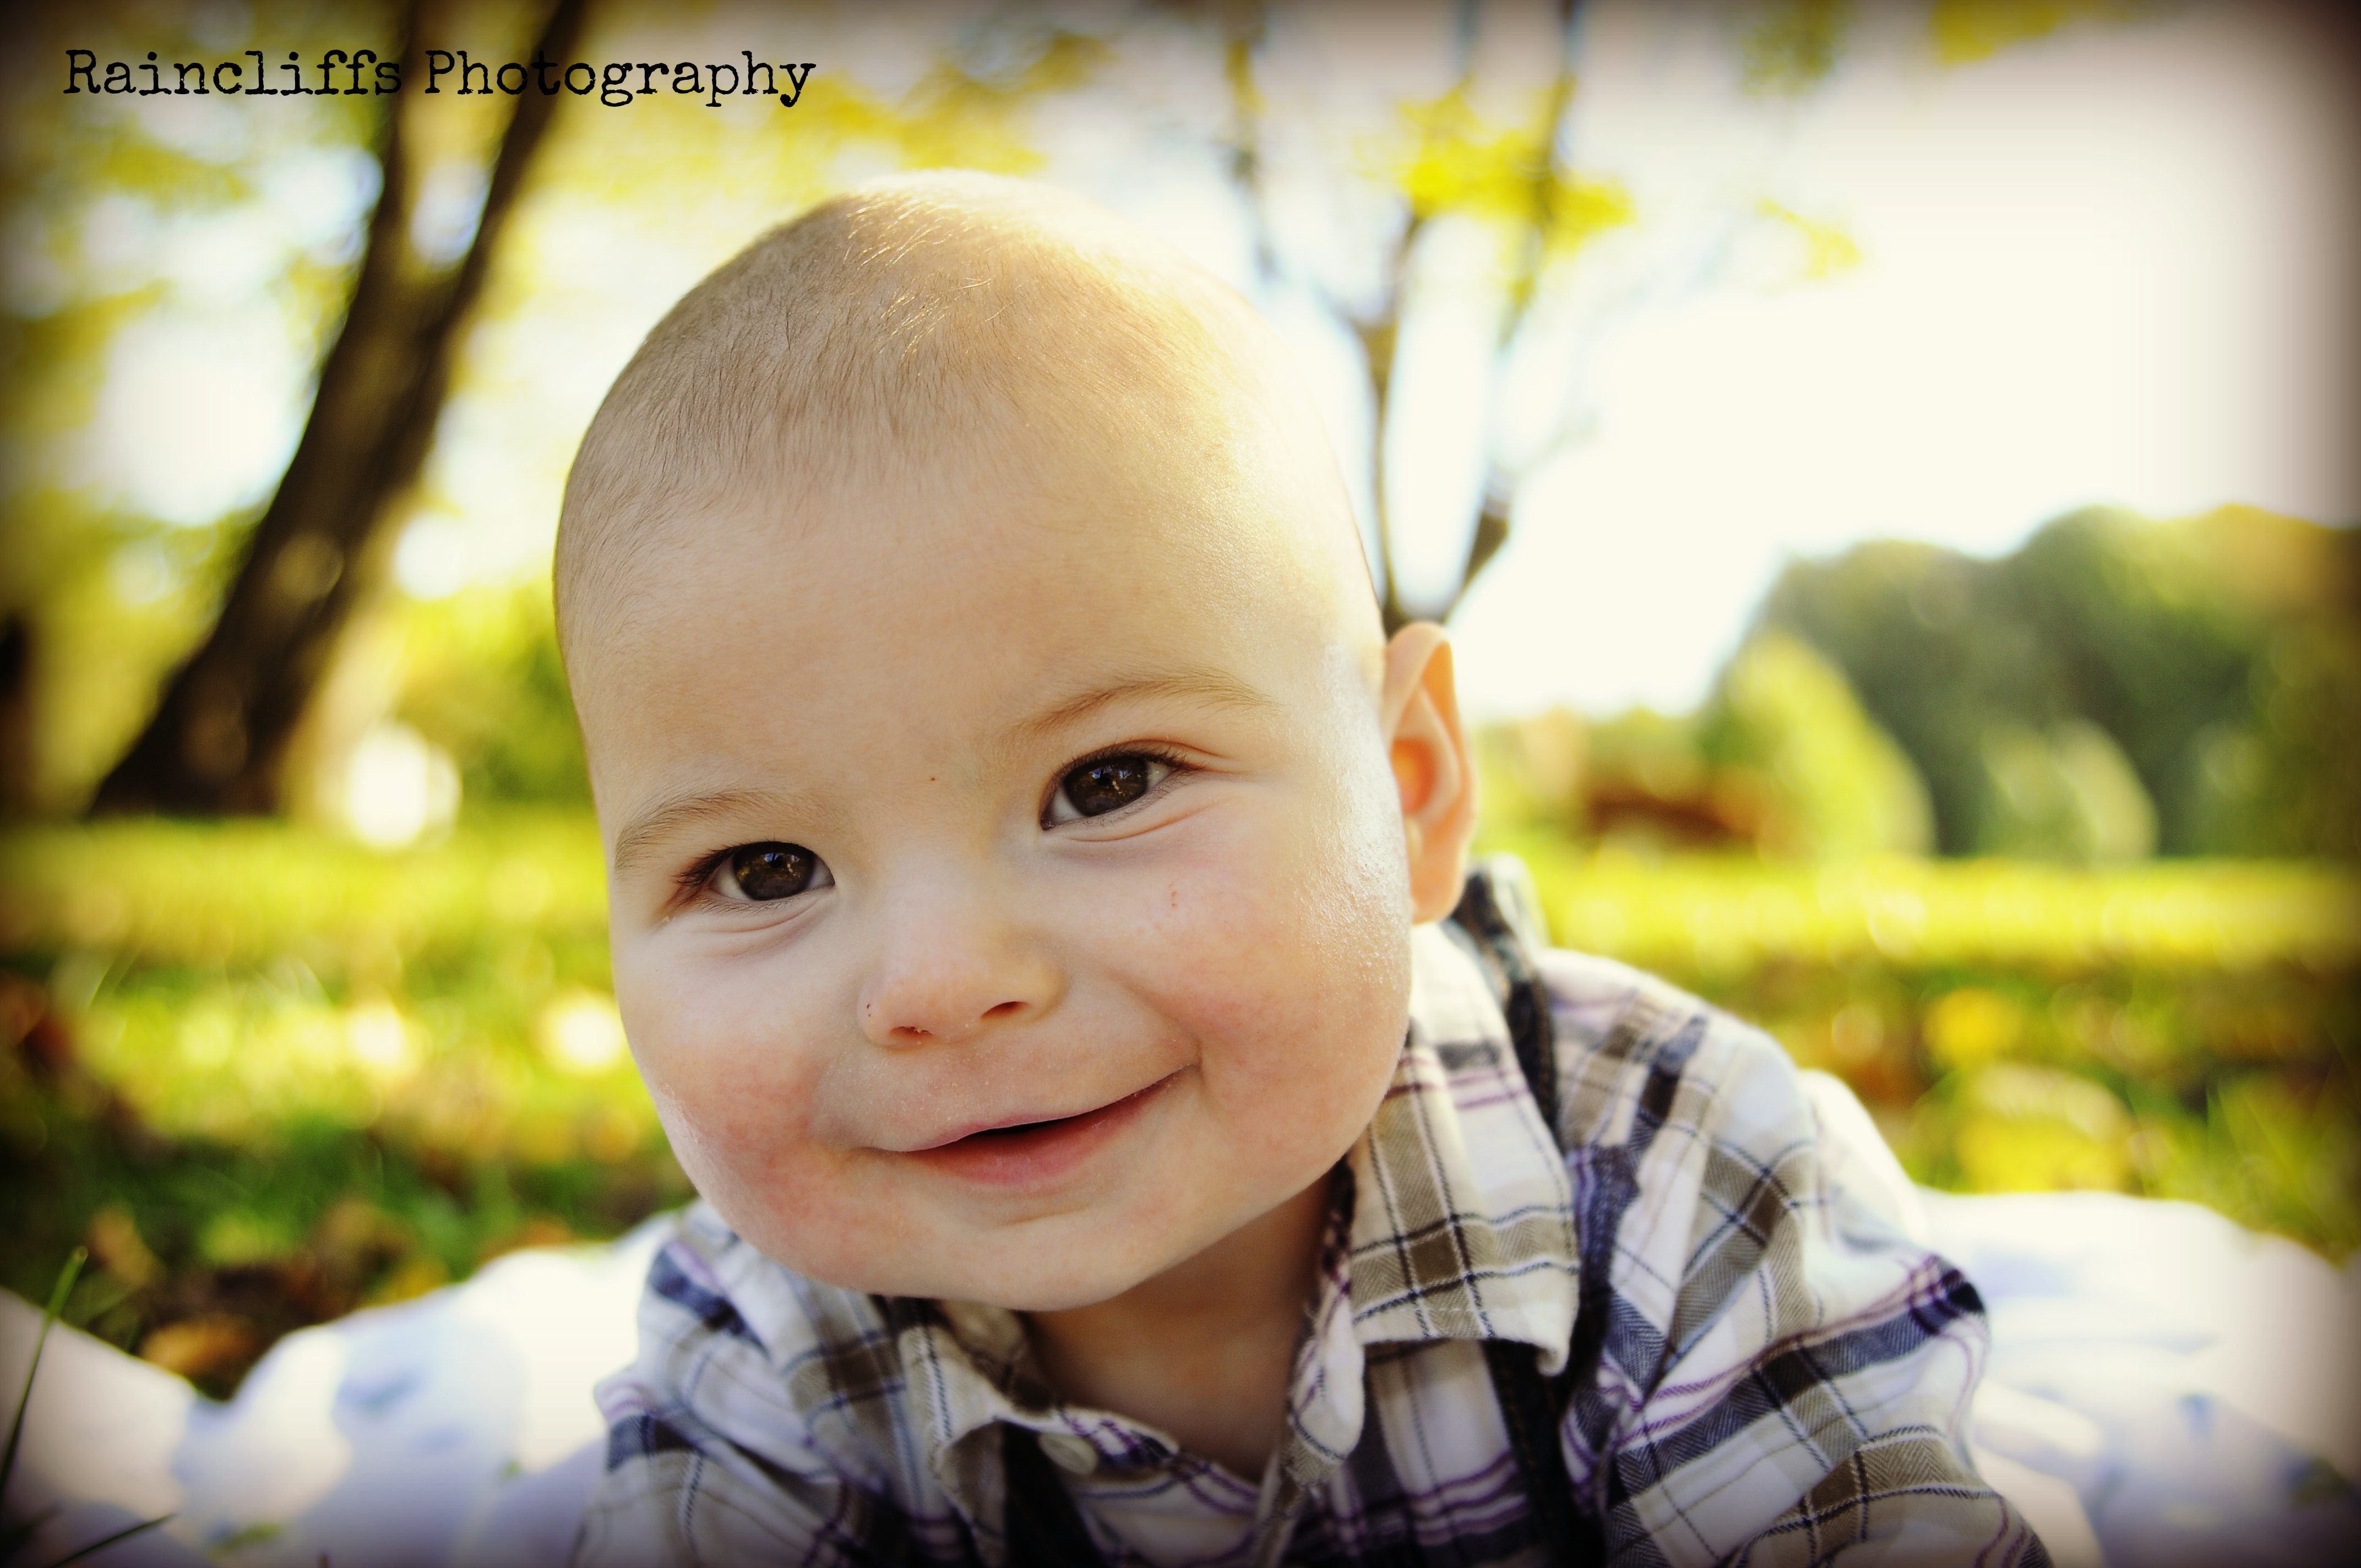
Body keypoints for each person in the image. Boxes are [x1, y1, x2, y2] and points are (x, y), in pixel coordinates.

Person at [553, 170, 2046, 1567]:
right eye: (764, 869)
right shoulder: (761, 1335)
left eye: (1108, 784)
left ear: (1409, 793)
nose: (943, 982)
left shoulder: (1673, 1177)